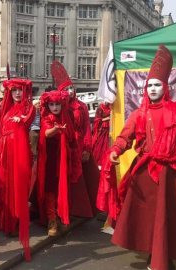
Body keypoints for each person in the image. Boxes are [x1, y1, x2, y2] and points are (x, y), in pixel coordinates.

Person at [98, 43, 176, 270]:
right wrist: (115, 151)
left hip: (173, 175)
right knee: (150, 219)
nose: (152, 89)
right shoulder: (139, 114)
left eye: (157, 85)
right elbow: (124, 139)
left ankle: (163, 258)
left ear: (165, 87)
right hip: (147, 175)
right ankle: (157, 259)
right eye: (149, 85)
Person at [0, 78, 35, 261]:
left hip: (19, 153)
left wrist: (22, 120)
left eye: (20, 90)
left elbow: (27, 122)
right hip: (6, 153)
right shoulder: (7, 108)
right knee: (7, 186)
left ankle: (16, 222)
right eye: (14, 90)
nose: (18, 93)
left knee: (18, 187)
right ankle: (7, 222)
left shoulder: (28, 108)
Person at [51, 61, 99, 218]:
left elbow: (86, 127)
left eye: (71, 88)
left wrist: (87, 148)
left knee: (81, 178)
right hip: (63, 146)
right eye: (66, 89)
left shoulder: (82, 106)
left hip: (79, 145)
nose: (70, 91)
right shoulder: (58, 106)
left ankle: (80, 208)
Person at [36, 90, 78, 236]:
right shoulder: (46, 117)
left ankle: (61, 215)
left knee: (63, 187)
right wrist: (56, 129)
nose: (54, 107)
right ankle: (51, 219)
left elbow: (72, 136)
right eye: (52, 104)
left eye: (57, 104)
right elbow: (46, 134)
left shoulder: (68, 116)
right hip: (50, 158)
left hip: (65, 157)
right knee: (50, 188)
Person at [92, 102, 111, 166]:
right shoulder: (100, 108)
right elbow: (96, 120)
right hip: (103, 131)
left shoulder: (111, 107)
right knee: (102, 147)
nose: (106, 101)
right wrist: (106, 119)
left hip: (110, 130)